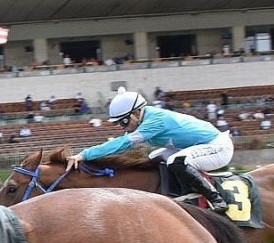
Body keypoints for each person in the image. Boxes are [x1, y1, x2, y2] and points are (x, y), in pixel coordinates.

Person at [66, 87, 233, 212]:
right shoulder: (146, 117)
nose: (122, 127)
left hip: (218, 147)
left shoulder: (154, 121)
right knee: (155, 156)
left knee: (176, 161)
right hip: (199, 146)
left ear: (137, 113)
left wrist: (84, 154)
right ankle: (178, 194)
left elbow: (123, 144)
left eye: (123, 122)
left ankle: (216, 200)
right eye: (118, 124)